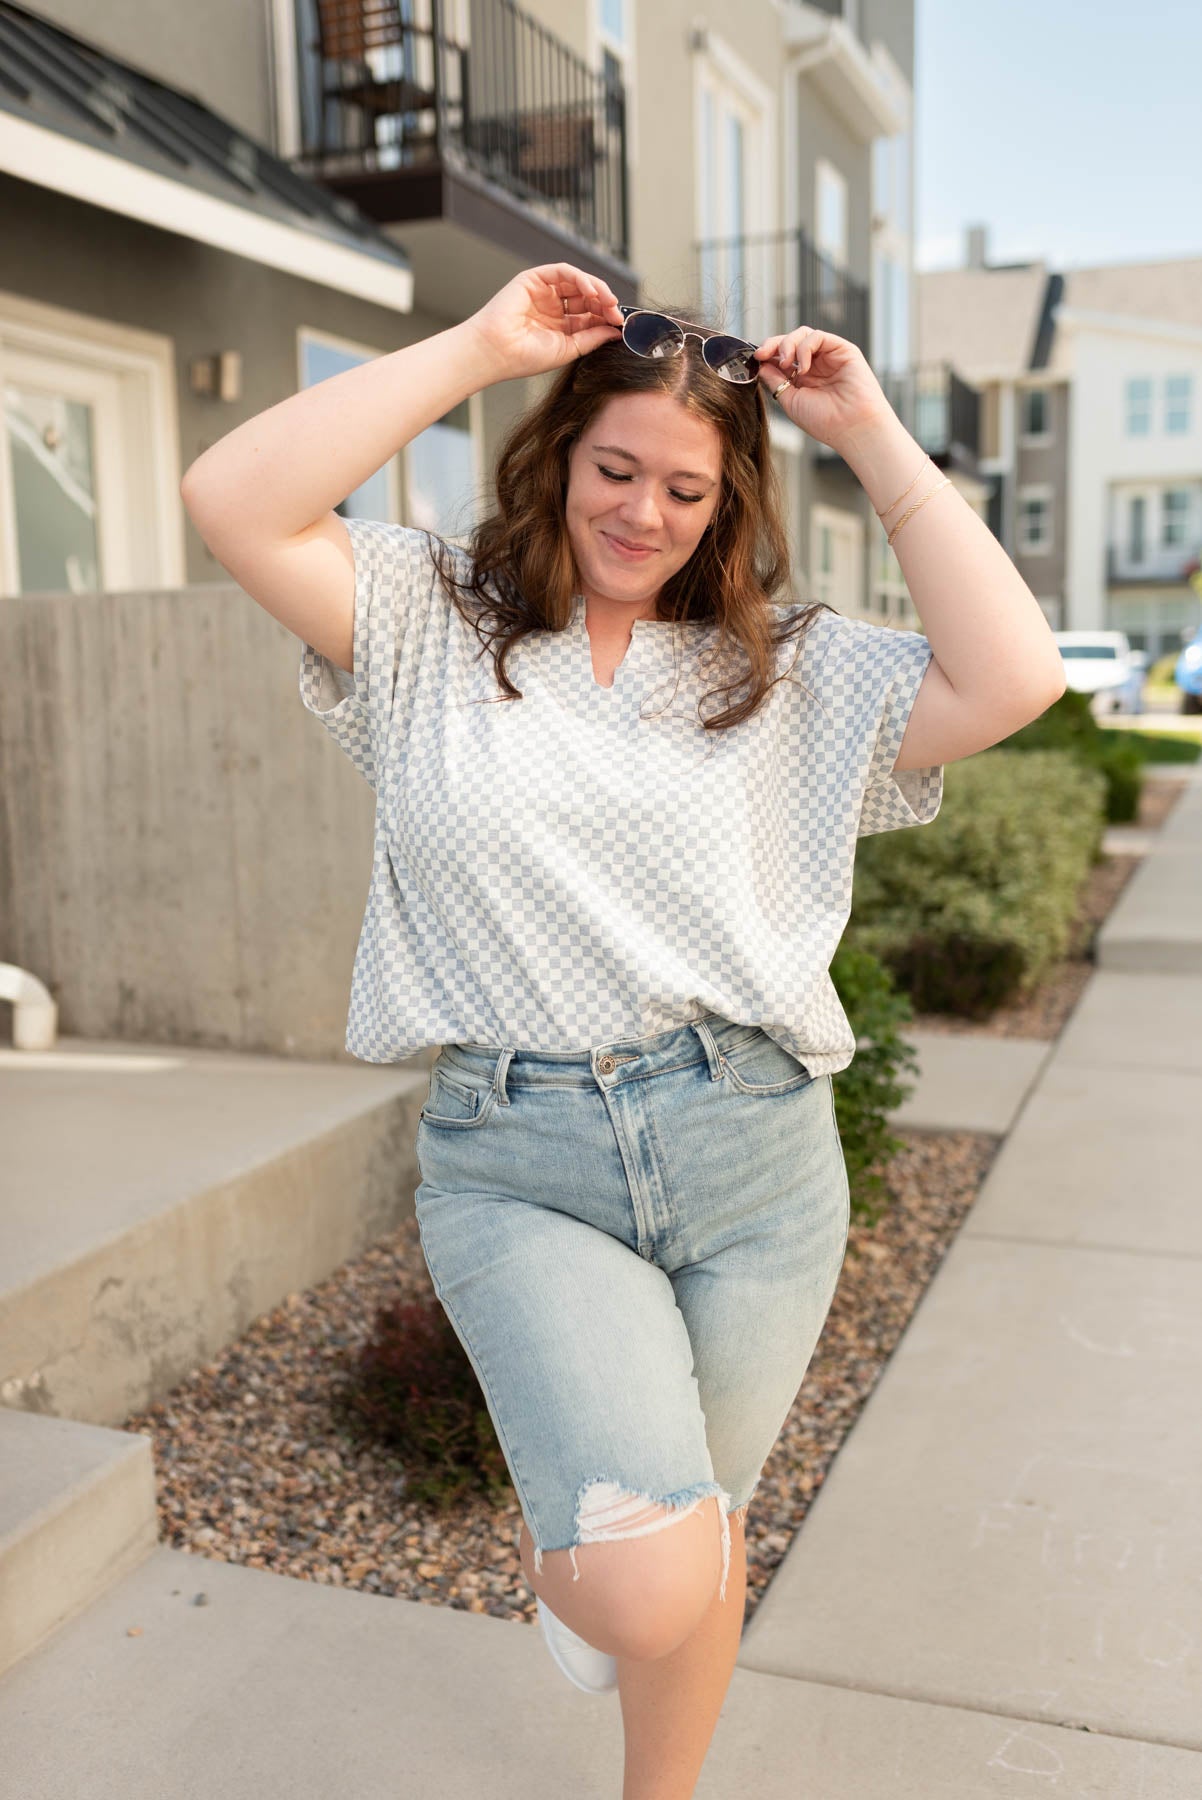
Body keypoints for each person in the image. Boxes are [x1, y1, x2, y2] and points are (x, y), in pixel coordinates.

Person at [180, 261, 1067, 1799]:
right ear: (556, 457)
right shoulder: (419, 624)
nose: (641, 514)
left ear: (724, 510)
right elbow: (232, 496)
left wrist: (861, 423)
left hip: (756, 1159)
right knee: (654, 1574)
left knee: (697, 1536)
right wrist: (478, 345)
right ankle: (597, 1564)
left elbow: (1015, 676)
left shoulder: (786, 674)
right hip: (517, 1158)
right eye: (614, 470)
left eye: (684, 489)